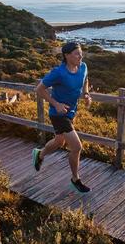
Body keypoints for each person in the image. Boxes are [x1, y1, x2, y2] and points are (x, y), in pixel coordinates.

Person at [32, 42, 92, 193]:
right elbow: (39, 89)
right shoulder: (58, 72)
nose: (81, 56)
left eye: (81, 53)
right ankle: (75, 179)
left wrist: (86, 94)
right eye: (77, 53)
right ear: (66, 55)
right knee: (77, 147)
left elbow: (85, 80)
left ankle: (40, 154)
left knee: (59, 141)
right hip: (58, 114)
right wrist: (56, 103)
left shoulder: (83, 67)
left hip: (71, 113)